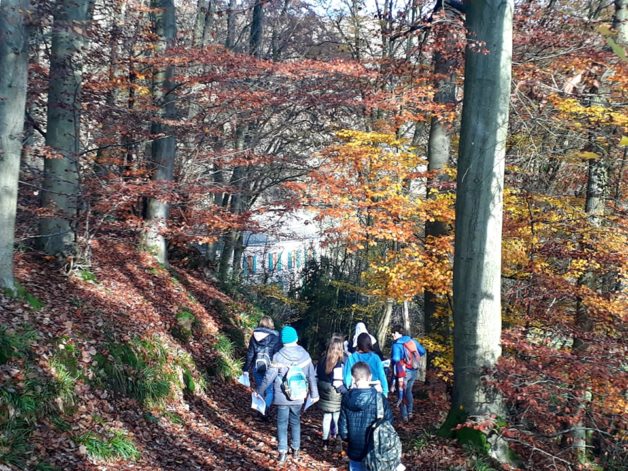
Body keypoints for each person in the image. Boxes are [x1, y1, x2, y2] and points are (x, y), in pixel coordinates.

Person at [256, 326, 319, 465]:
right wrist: (314, 393)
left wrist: (260, 390)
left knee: (282, 423)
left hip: (282, 396)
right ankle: (296, 450)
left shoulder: (278, 356)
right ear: (296, 338)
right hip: (299, 394)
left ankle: (282, 452)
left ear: (282, 340)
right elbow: (311, 376)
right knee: (295, 421)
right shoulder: (305, 355)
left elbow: (269, 376)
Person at [339, 362, 393, 471]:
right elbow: (389, 422)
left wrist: (350, 439)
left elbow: (343, 430)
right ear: (370, 377)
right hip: (375, 448)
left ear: (353, 378)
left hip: (354, 448)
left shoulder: (346, 398)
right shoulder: (379, 398)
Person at [243, 316, 281, 417]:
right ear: (271, 324)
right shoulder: (275, 337)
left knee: (260, 388)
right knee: (269, 391)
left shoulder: (254, 336)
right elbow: (277, 354)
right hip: (270, 367)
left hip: (257, 366)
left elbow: (250, 354)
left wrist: (245, 369)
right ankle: (264, 410)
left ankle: (260, 409)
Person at [317, 334, 347, 451]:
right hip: (334, 393)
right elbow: (337, 382)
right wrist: (346, 392)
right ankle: (338, 442)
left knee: (326, 416)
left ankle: (325, 442)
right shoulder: (338, 362)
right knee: (337, 417)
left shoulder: (322, 359)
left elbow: (316, 375)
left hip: (323, 392)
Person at [390, 324, 426, 422]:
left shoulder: (397, 344)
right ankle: (410, 412)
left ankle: (404, 416)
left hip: (403, 372)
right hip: (413, 370)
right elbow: (422, 351)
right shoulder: (412, 341)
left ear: (398, 333)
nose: (392, 335)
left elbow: (396, 358)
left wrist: (392, 362)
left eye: (393, 333)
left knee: (401, 392)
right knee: (408, 391)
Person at [343, 332, 388, 397]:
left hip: (356, 390)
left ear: (357, 343)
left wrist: (349, 387)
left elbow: (347, 378)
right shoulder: (375, 358)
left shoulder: (351, 358)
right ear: (370, 343)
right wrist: (385, 391)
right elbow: (382, 375)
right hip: (374, 391)